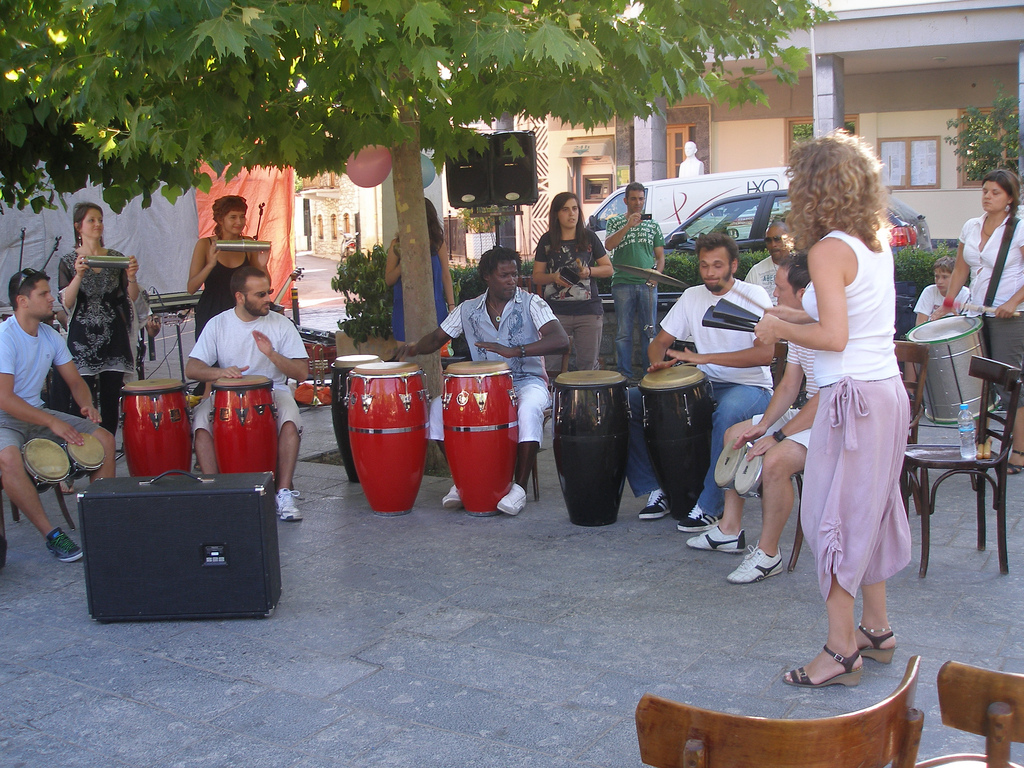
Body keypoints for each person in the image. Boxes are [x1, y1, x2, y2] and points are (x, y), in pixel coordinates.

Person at [755, 131, 910, 689]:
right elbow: (860, 327)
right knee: (871, 509)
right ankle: (877, 628)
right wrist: (792, 318)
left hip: (853, 400)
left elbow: (837, 336)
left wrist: (778, 326)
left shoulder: (825, 250)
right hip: (884, 392)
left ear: (815, 189)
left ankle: (841, 651)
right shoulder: (873, 241)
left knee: (835, 519)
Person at [398, 247, 569, 516]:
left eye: (514, 274)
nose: (512, 280)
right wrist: (413, 348)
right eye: (504, 275)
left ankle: (519, 489)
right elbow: (437, 339)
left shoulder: (532, 303)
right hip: (483, 389)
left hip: (527, 381)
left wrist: (517, 351)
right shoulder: (468, 309)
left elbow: (561, 340)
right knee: (436, 409)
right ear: (487, 276)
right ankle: (462, 482)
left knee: (527, 408)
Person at [626, 232, 773, 526]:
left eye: (717, 265)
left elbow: (765, 355)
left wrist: (702, 358)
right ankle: (656, 488)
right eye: (704, 265)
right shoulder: (692, 296)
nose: (709, 272)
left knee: (727, 413)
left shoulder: (753, 296)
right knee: (629, 401)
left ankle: (710, 504)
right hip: (703, 386)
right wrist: (661, 364)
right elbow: (658, 343)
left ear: (733, 265)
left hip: (750, 386)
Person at [687, 253, 818, 584]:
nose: (774, 295)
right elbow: (789, 385)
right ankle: (729, 529)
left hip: (834, 419)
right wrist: (762, 426)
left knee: (775, 460)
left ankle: (768, 553)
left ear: (802, 295)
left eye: (781, 289)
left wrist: (777, 435)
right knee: (736, 434)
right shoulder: (799, 327)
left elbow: (828, 399)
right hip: (810, 412)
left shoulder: (826, 330)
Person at [0, 269, 117, 562]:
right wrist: (52, 421)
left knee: (103, 438)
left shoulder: (50, 335)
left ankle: (100, 524)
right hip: (4, 416)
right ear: (22, 301)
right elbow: (5, 398)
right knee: (8, 458)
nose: (52, 298)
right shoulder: (5, 337)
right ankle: (52, 535)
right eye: (44, 294)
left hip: (35, 413)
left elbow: (75, 382)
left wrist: (87, 404)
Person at [185, 266, 309, 521]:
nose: (268, 299)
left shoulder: (281, 324)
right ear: (240, 297)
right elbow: (192, 368)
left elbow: (301, 373)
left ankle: (283, 491)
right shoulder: (218, 324)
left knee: (290, 418)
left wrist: (271, 354)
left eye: (269, 292)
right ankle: (217, 489)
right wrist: (219, 373)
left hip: (273, 390)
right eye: (260, 294)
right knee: (200, 421)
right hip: (226, 395)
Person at [931, 170, 1024, 471]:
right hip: (977, 313)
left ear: (1010, 198)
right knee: (981, 383)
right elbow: (960, 270)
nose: (987, 196)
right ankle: (983, 444)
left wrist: (1012, 302)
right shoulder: (971, 226)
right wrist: (947, 304)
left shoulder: (1019, 227)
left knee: (1011, 382)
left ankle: (1019, 452)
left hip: (1010, 316)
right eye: (985, 190)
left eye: (995, 192)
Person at [57, 202, 140, 437]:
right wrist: (78, 275)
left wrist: (132, 277)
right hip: (82, 335)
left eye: (100, 220)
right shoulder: (68, 260)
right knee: (82, 399)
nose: (97, 225)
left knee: (111, 397)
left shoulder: (115, 258)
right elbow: (67, 302)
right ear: (78, 226)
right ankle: (83, 451)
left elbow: (130, 297)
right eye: (91, 220)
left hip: (113, 334)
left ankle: (108, 446)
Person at [532, 192, 613, 371]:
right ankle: (555, 399)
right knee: (552, 365)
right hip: (555, 312)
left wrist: (589, 271)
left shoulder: (589, 237)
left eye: (575, 209)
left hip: (588, 310)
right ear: (556, 214)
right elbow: (537, 276)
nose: (571, 214)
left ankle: (588, 400)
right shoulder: (546, 239)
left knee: (587, 366)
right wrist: (553, 277)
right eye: (565, 209)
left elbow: (608, 268)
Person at [188, 195, 270, 340]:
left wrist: (263, 266)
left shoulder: (248, 243)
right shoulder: (204, 244)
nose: (239, 222)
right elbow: (191, 288)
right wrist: (210, 265)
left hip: (242, 312)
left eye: (242, 217)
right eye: (233, 217)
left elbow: (266, 285)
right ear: (220, 220)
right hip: (211, 311)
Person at [605, 182, 665, 380]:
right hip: (622, 282)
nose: (638, 203)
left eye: (641, 199)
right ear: (625, 201)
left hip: (647, 284)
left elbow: (660, 256)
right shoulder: (614, 223)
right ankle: (625, 376)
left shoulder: (653, 224)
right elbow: (609, 245)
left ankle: (651, 374)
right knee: (624, 332)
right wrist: (628, 225)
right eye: (633, 199)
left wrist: (657, 277)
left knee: (649, 331)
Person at [385, 198, 455, 341]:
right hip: (405, 308)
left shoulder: (437, 243)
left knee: (436, 355)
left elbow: (445, 276)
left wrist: (452, 306)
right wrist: (402, 266)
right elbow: (389, 280)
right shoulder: (397, 245)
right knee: (405, 357)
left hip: (434, 305)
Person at [744, 220, 792, 303]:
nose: (773, 244)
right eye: (768, 240)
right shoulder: (756, 271)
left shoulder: (802, 266)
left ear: (789, 240)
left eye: (777, 239)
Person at [914, 255, 969, 326]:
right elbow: (919, 324)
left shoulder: (965, 293)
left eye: (945, 277)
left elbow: (966, 326)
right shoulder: (929, 291)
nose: (939, 281)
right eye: (937, 276)